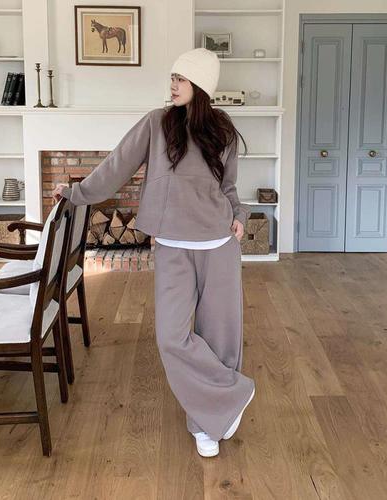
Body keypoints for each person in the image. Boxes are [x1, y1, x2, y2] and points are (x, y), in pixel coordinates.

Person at [52, 47, 255, 458]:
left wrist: (238, 214)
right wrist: (76, 193)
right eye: (173, 78)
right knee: (171, 337)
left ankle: (205, 423)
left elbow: (228, 186)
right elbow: (116, 167)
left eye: (181, 78)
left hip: (219, 245)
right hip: (173, 247)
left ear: (201, 84)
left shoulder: (223, 129)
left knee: (221, 338)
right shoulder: (157, 123)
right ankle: (232, 394)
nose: (173, 85)